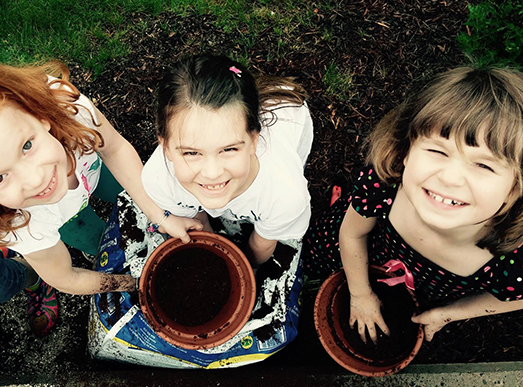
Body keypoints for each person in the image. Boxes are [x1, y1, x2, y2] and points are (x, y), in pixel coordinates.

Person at [0, 60, 202, 336]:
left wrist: (159, 215)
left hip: (92, 168)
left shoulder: (67, 107)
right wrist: (131, 283)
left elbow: (114, 150)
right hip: (63, 219)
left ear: (39, 114)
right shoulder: (22, 226)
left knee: (128, 193)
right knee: (99, 242)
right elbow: (66, 277)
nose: (35, 180)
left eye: (27, 146)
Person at [304, 66, 523, 344]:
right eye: (436, 150)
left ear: (515, 189)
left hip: (424, 291)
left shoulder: (514, 260)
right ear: (405, 151)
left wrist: (448, 314)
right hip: (355, 249)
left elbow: (517, 297)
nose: (450, 178)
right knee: (314, 259)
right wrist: (359, 293)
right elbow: (351, 233)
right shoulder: (382, 185)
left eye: (483, 165)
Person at [141, 54, 313, 266]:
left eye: (229, 149)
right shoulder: (158, 180)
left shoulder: (285, 195)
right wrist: (217, 254)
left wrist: (244, 269)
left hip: (290, 118)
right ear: (165, 147)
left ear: (253, 141)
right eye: (192, 153)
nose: (212, 173)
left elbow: (263, 243)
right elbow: (197, 221)